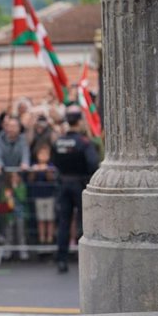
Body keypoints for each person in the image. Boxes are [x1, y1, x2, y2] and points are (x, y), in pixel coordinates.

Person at [51, 105, 100, 273]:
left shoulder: (58, 142)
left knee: (64, 222)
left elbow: (54, 162)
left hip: (63, 184)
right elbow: (93, 163)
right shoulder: (84, 142)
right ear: (79, 122)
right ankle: (84, 259)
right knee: (83, 222)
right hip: (80, 183)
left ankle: (61, 260)